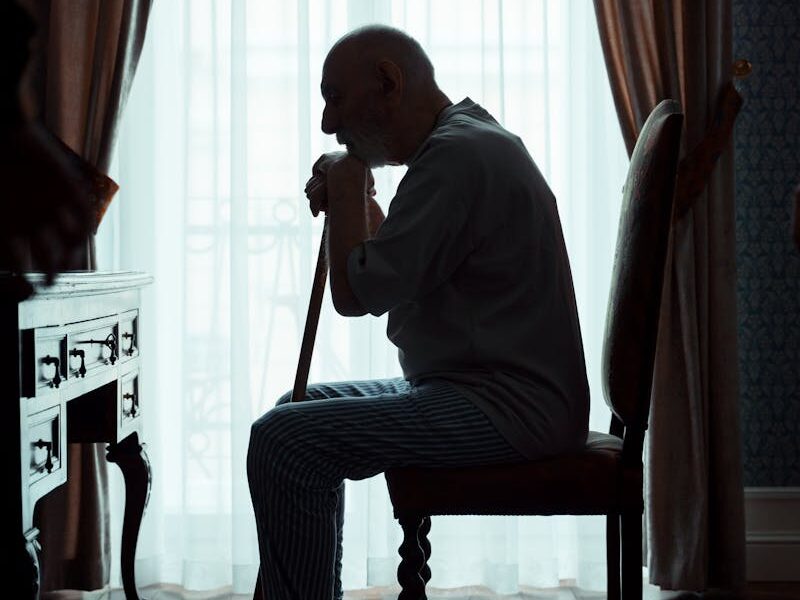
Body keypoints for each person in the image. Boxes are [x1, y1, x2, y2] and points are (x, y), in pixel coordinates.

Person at [247, 24, 589, 599]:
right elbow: (395, 267)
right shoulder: (462, 143)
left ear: (388, 82)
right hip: (483, 391)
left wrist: (348, 178)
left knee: (284, 440)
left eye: (335, 98)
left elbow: (355, 296)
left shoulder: (456, 157)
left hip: (510, 408)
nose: (328, 123)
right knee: (294, 411)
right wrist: (355, 195)